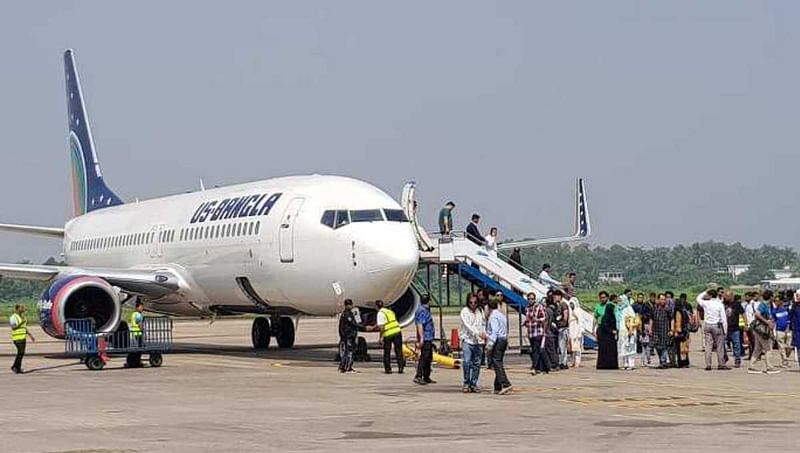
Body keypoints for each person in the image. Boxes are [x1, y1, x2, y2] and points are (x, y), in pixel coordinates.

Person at [460, 293, 487, 392]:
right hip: (467, 340)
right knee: (467, 362)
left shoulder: (480, 311)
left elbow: (483, 324)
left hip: (478, 341)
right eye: (471, 302)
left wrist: (483, 334)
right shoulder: (464, 311)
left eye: (475, 302)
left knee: (477, 363)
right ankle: (466, 382)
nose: (473, 304)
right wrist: (478, 333)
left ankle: (474, 383)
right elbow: (467, 325)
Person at [696, 289, 729, 370]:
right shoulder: (719, 304)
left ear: (709, 295)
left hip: (707, 325)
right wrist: (725, 330)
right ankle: (721, 364)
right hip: (717, 325)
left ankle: (708, 364)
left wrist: (705, 291)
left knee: (708, 346)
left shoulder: (706, 303)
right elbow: (723, 318)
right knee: (719, 346)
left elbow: (698, 298)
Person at [749, 290, 780, 374]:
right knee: (768, 348)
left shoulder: (768, 305)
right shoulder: (763, 305)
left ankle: (752, 366)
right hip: (762, 330)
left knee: (758, 348)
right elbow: (757, 314)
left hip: (761, 329)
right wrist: (767, 321)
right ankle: (769, 367)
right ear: (770, 297)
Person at [486, 299, 512, 395]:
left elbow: (495, 331)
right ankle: (497, 386)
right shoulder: (501, 315)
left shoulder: (493, 317)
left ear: (488, 307)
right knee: (498, 361)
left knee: (496, 362)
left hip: (498, 340)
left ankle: (505, 383)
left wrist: (490, 344)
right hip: (504, 339)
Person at [375, 300, 405, 374]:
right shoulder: (389, 311)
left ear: (376, 307)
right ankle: (400, 367)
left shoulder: (380, 313)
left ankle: (388, 369)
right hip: (397, 332)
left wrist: (380, 337)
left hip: (388, 333)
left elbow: (382, 327)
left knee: (387, 352)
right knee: (399, 351)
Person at [338, 299, 367, 373]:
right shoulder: (347, 314)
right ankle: (348, 368)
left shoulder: (347, 313)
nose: (351, 306)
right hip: (349, 335)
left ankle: (343, 366)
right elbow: (352, 323)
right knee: (349, 351)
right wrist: (364, 327)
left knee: (347, 352)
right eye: (350, 304)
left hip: (348, 335)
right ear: (347, 305)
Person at [524, 292, 549, 375]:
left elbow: (544, 317)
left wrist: (537, 320)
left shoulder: (539, 307)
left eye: (532, 299)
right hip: (531, 331)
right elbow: (528, 319)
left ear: (534, 299)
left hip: (538, 331)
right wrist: (525, 323)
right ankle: (541, 367)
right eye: (529, 299)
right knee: (534, 350)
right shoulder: (527, 308)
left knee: (536, 350)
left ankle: (534, 367)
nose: (530, 300)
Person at [413, 295, 436, 385]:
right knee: (424, 357)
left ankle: (426, 376)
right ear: (429, 301)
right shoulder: (422, 311)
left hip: (428, 337)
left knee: (428, 357)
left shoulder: (425, 310)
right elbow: (420, 325)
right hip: (425, 338)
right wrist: (421, 339)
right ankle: (418, 376)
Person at [9, 304, 35, 374]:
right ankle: (15, 366)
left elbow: (24, 327)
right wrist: (21, 323)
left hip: (23, 337)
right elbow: (13, 327)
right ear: (17, 309)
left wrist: (30, 335)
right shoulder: (13, 317)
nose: (23, 309)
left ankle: (17, 368)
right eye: (21, 308)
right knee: (20, 352)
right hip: (17, 338)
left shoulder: (23, 317)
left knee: (22, 353)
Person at [596, 291, 618, 370]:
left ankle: (611, 364)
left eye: (604, 297)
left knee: (611, 350)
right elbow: (604, 324)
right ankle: (604, 365)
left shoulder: (611, 306)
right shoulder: (605, 316)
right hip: (604, 333)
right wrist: (612, 331)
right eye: (601, 297)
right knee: (603, 350)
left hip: (609, 334)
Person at [723, 291, 746, 368]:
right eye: (725, 296)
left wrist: (746, 324)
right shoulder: (723, 304)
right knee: (723, 345)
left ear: (731, 296)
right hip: (725, 328)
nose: (725, 297)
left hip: (735, 328)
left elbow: (743, 314)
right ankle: (724, 358)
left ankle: (737, 359)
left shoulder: (737, 304)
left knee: (736, 344)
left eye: (727, 296)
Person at [617, 293, 638, 370]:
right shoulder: (619, 309)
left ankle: (631, 364)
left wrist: (630, 330)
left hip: (629, 330)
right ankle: (625, 363)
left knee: (630, 347)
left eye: (620, 300)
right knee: (623, 347)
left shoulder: (628, 308)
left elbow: (632, 319)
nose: (619, 301)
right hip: (622, 332)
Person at [652, 294, 673, 369]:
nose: (663, 301)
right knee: (657, 346)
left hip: (665, 330)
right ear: (658, 300)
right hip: (656, 330)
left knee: (664, 346)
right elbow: (651, 319)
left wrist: (671, 330)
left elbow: (671, 319)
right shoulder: (654, 308)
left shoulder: (668, 309)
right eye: (661, 299)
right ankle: (661, 361)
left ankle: (663, 361)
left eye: (664, 299)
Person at [672, 294, 693, 368]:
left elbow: (678, 321)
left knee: (679, 348)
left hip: (681, 331)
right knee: (685, 347)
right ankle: (686, 361)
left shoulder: (678, 311)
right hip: (686, 330)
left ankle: (681, 362)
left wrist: (677, 331)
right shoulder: (685, 310)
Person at [633, 293, 653, 367]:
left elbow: (649, 315)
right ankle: (642, 359)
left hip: (645, 327)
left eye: (641, 297)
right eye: (639, 297)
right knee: (639, 344)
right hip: (636, 327)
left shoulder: (646, 306)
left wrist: (643, 317)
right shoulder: (634, 306)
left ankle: (646, 358)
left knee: (646, 345)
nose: (640, 299)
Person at [771, 296, 791, 368]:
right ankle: (785, 360)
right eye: (775, 301)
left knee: (789, 346)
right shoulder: (774, 311)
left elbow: (789, 319)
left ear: (781, 302)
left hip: (788, 330)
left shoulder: (786, 309)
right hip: (779, 330)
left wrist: (788, 328)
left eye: (777, 301)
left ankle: (786, 358)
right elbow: (773, 321)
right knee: (781, 347)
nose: (776, 303)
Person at [553, 290, 570, 370]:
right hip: (560, 327)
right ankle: (563, 362)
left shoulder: (563, 305)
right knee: (561, 346)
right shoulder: (558, 304)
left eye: (555, 296)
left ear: (559, 296)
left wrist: (562, 324)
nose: (554, 297)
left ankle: (563, 363)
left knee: (562, 346)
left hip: (563, 328)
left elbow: (565, 316)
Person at [126, 301, 146, 368]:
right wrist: (142, 330)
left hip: (134, 332)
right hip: (138, 333)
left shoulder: (133, 314)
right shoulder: (138, 315)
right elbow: (139, 324)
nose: (142, 308)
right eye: (141, 307)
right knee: (140, 348)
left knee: (136, 348)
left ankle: (133, 361)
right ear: (137, 307)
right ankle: (137, 361)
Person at [567, 297, 584, 368]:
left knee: (577, 347)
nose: (571, 305)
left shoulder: (578, 311)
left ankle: (578, 362)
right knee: (572, 347)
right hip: (571, 329)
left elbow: (581, 321)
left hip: (577, 329)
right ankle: (573, 361)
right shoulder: (570, 311)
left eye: (572, 304)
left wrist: (580, 330)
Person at [789, 292, 800, 369]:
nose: (797, 297)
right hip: (797, 330)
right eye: (797, 296)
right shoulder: (794, 306)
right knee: (798, 349)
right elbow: (790, 317)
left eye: (798, 296)